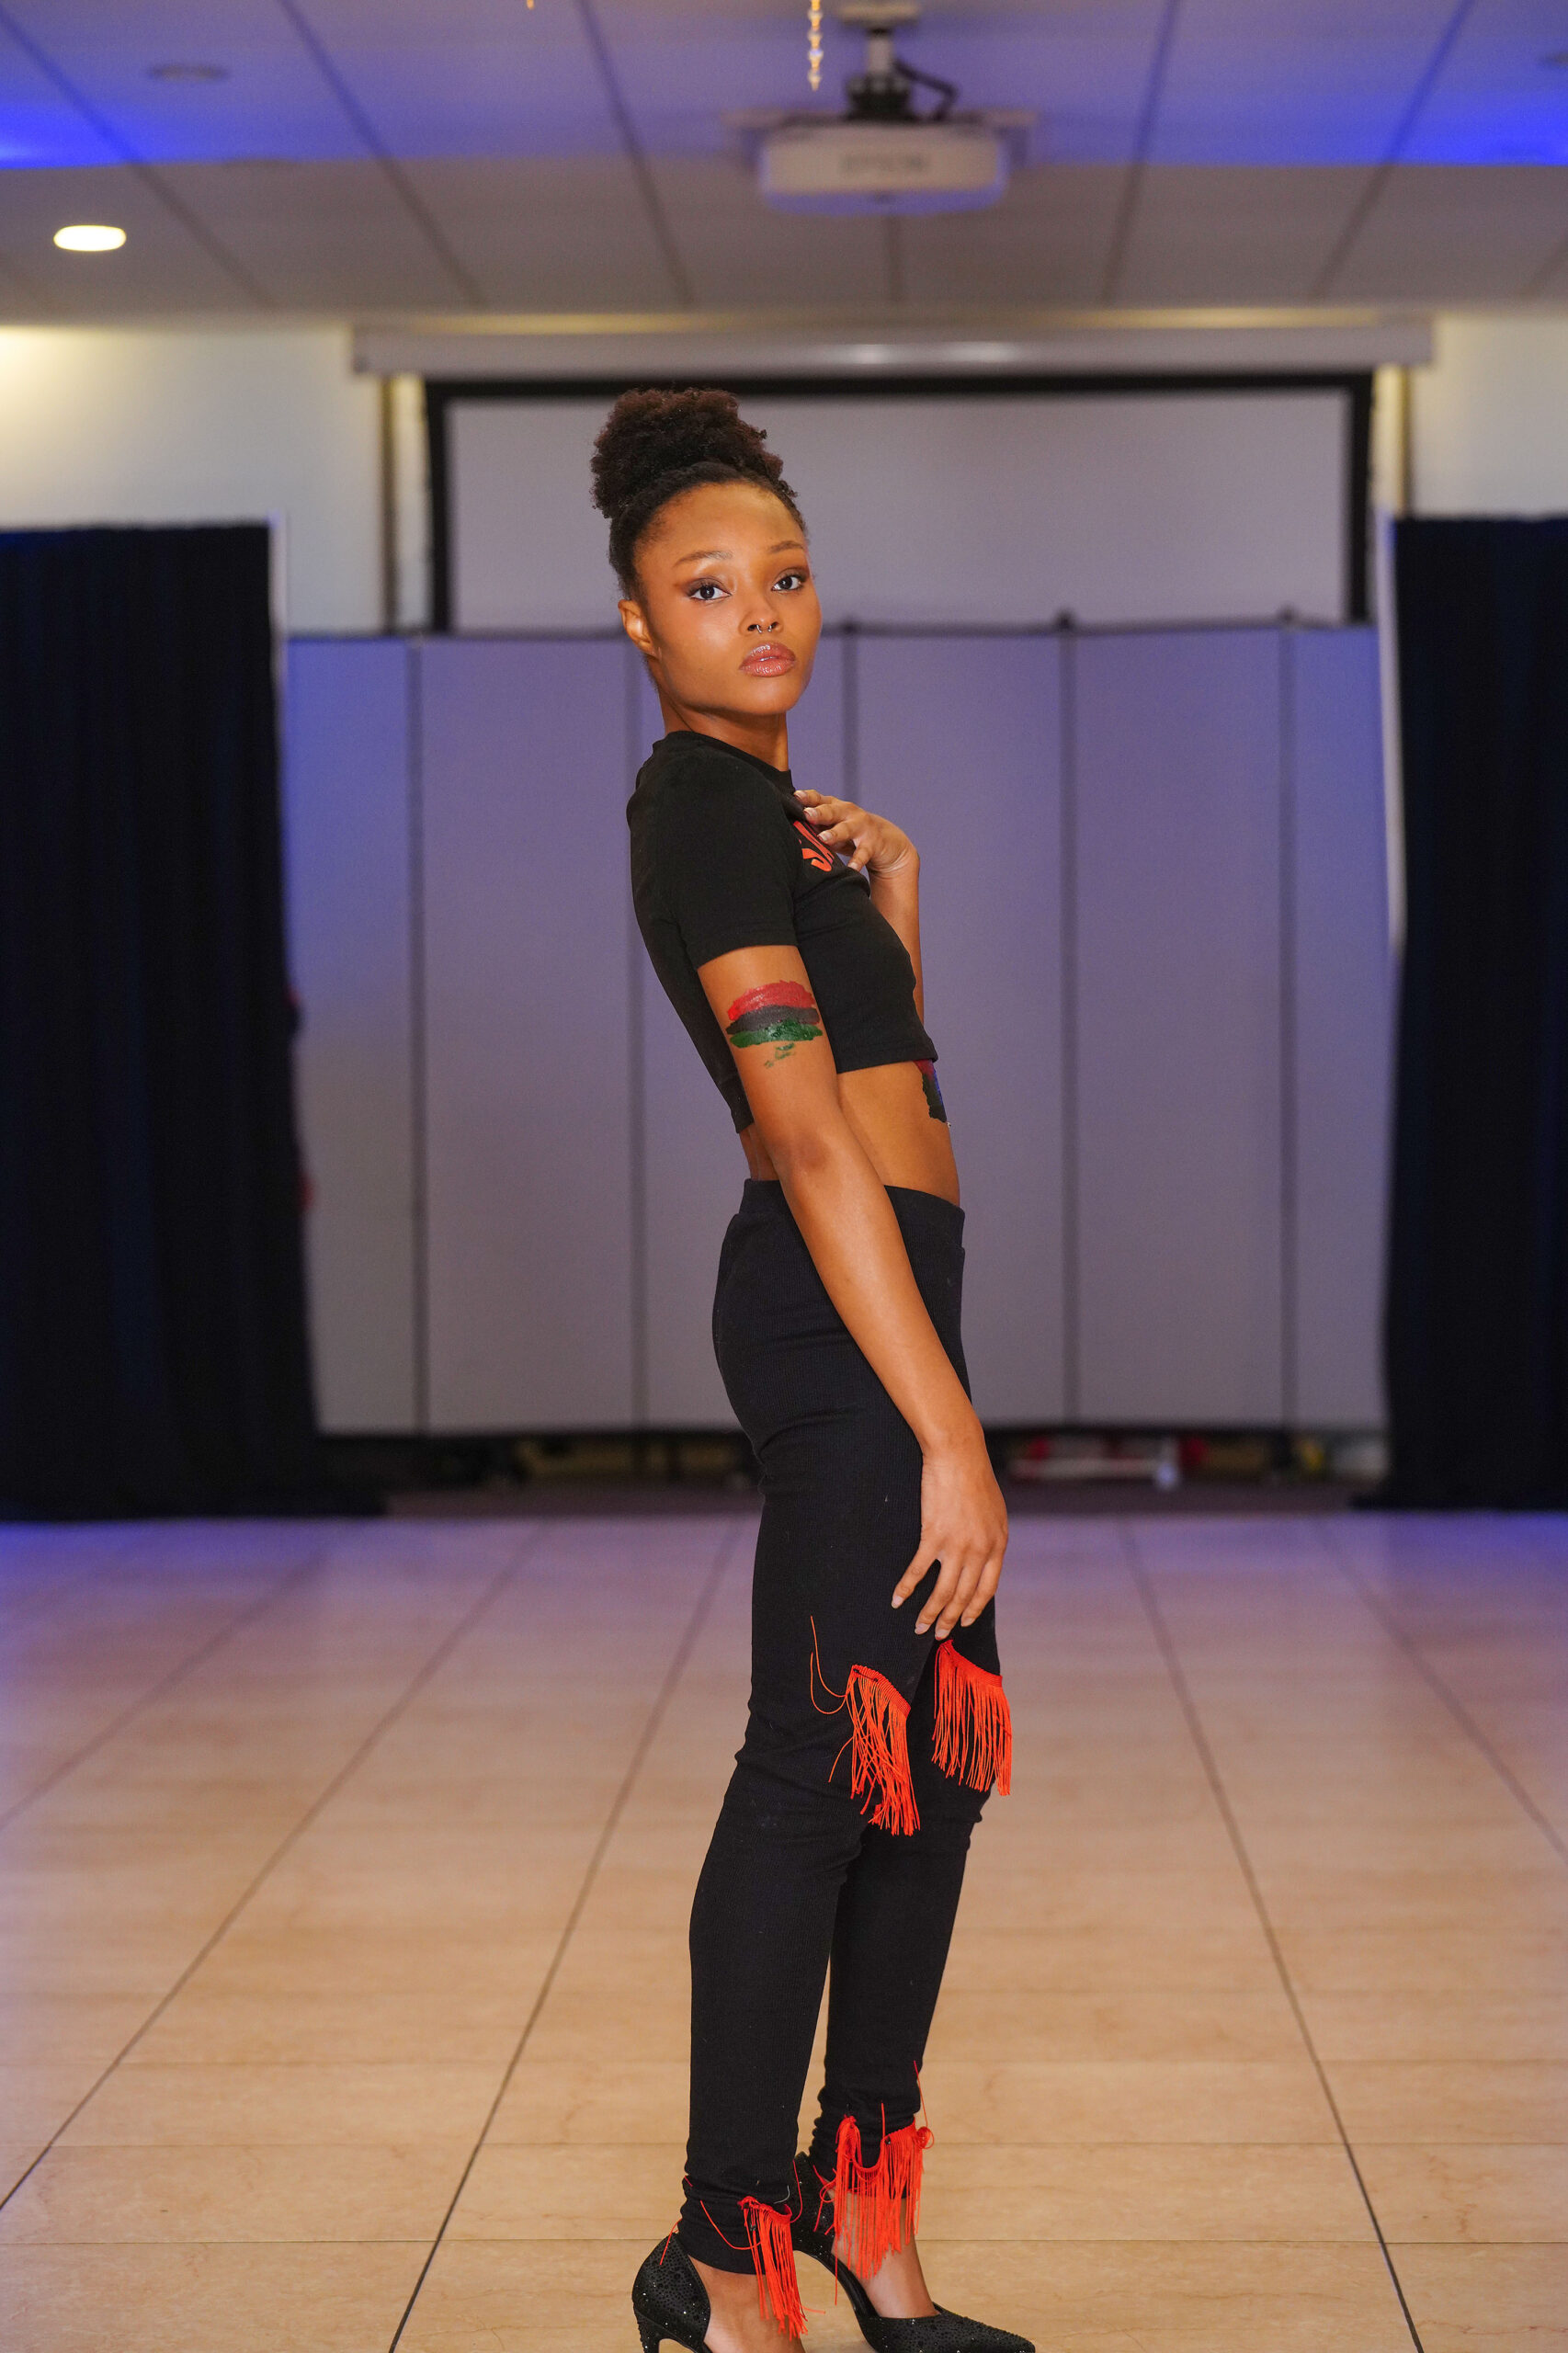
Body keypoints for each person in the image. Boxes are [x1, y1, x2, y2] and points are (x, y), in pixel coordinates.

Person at [595, 389, 1029, 2353]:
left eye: (782, 574)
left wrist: (897, 919)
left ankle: (867, 2208)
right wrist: (947, 1427)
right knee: (818, 1765)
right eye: (706, 586)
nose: (757, 611)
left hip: (894, 1296)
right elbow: (802, 1130)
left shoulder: (780, 821)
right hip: (844, 1323)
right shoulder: (695, 805)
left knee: (924, 1768)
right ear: (638, 621)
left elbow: (878, 1077)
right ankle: (722, 2246)